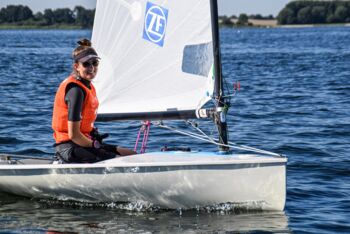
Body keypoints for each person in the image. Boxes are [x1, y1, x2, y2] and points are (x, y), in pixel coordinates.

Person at [52, 39, 135, 163]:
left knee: (131, 154)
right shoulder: (75, 90)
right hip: (69, 148)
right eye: (86, 64)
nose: (92, 67)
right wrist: (96, 146)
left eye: (95, 63)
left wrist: (94, 136)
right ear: (76, 66)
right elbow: (74, 135)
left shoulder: (88, 87)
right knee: (120, 161)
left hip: (83, 144)